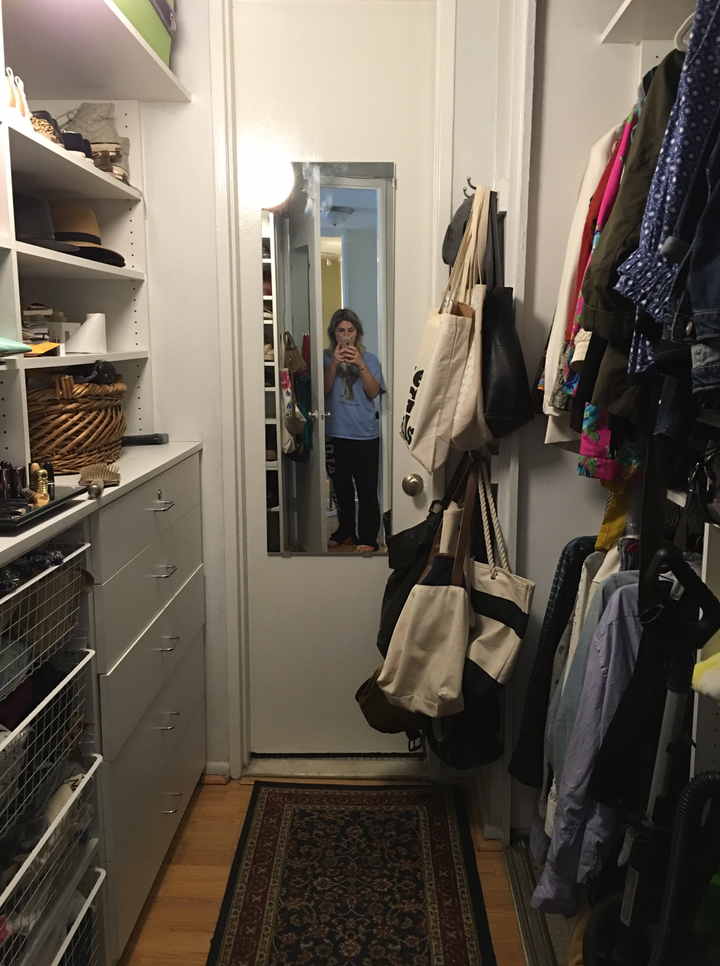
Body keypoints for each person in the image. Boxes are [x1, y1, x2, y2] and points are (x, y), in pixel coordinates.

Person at [323, 308, 386, 552]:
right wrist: (334, 364)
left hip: (365, 434)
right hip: (335, 432)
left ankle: (369, 538)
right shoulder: (326, 359)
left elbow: (373, 392)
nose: (346, 335)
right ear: (334, 334)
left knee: (367, 488)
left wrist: (359, 363)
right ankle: (345, 531)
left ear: (357, 333)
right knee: (340, 488)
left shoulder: (369, 360)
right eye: (341, 331)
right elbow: (323, 392)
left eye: (350, 330)